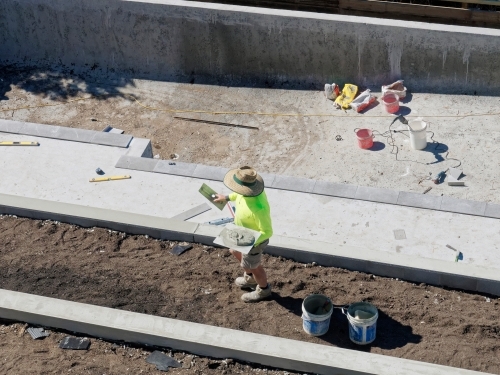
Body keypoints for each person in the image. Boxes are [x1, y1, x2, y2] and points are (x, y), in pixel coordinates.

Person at [214, 166, 273, 302]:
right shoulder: (247, 192)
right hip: (241, 231)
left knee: (256, 267)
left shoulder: (259, 209)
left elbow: (268, 231)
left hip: (254, 240)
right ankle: (250, 278)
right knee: (233, 250)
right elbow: (237, 195)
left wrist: (249, 242)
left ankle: (263, 290)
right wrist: (226, 197)